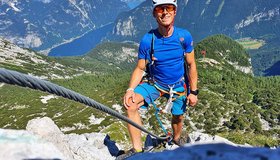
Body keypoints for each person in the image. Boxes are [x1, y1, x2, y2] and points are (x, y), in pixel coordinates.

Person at [121, 0, 198, 157]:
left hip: (178, 87)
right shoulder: (148, 40)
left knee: (178, 117)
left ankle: (176, 139)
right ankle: (137, 150)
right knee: (131, 105)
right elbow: (140, 68)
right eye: (160, 9)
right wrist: (130, 90)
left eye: (169, 8)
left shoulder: (184, 37)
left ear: (175, 11)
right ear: (154, 14)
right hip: (155, 84)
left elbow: (191, 65)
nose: (165, 12)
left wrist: (194, 92)